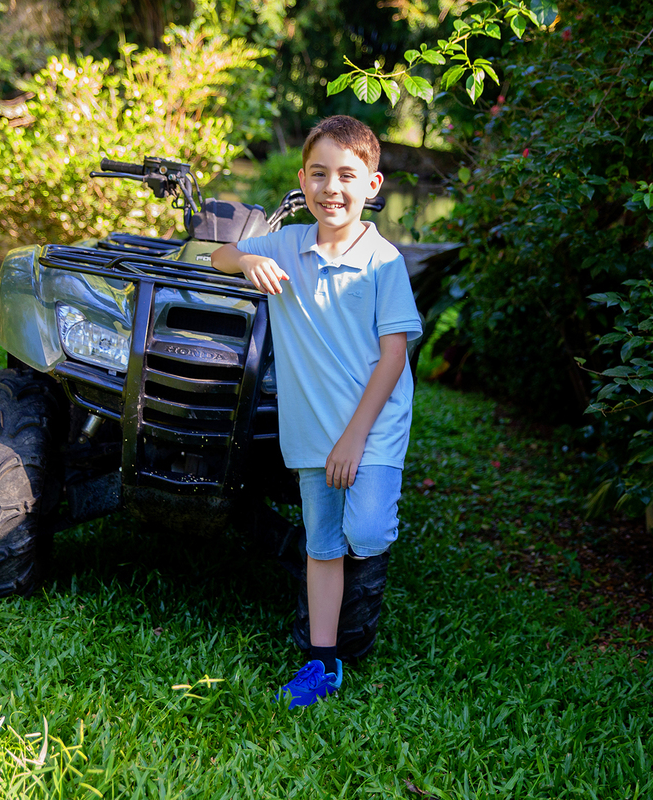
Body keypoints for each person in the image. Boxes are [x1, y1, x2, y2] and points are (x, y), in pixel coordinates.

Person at [211, 115, 422, 707]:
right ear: (302, 180)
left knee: (366, 529)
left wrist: (355, 439)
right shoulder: (285, 245)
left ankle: (362, 595)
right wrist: (246, 261)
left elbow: (394, 355)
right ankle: (321, 663)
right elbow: (213, 255)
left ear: (372, 186)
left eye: (347, 175)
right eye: (321, 174)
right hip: (311, 427)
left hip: (371, 425)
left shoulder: (383, 261)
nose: (333, 188)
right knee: (322, 542)